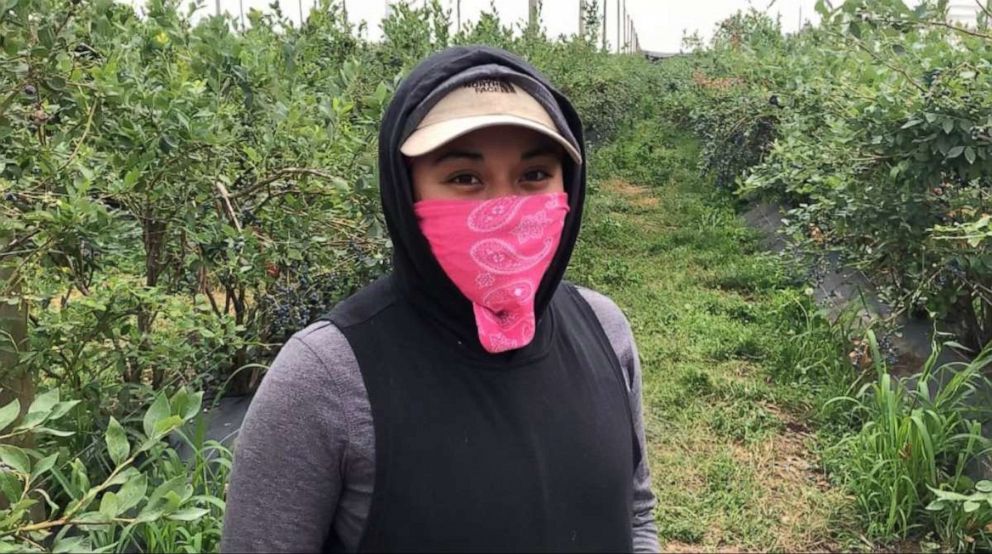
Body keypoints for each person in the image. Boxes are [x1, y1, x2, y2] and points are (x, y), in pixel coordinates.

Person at [220, 45, 659, 553]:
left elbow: (634, 511)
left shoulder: (605, 332)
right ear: (406, 192)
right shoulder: (327, 378)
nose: (504, 206)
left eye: (534, 175)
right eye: (464, 178)